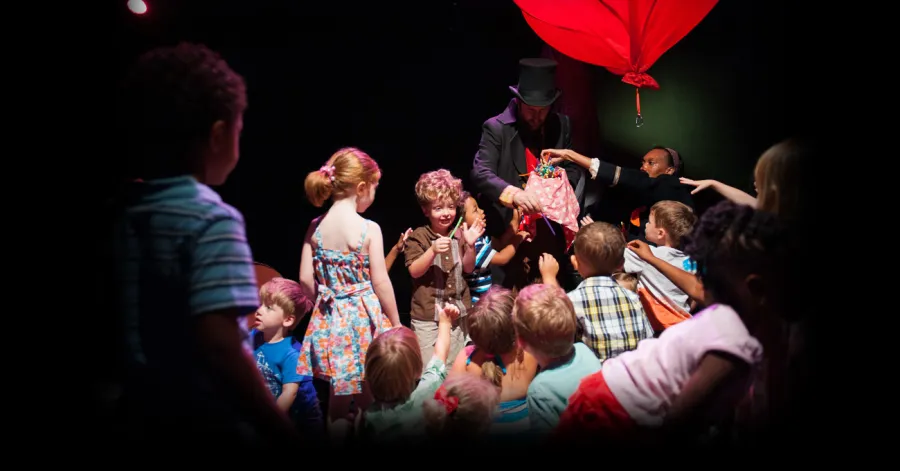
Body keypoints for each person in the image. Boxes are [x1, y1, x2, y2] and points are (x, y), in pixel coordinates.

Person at [111, 42, 299, 451]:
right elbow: (221, 348)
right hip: (201, 420)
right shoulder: (211, 219)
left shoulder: (126, 211)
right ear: (218, 134)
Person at [297, 147, 401, 442]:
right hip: (363, 321)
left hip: (330, 320)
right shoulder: (369, 229)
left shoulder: (315, 227)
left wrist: (321, 304)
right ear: (361, 187)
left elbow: (305, 279)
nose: (375, 194)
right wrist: (394, 321)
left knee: (338, 405)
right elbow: (380, 281)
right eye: (375, 187)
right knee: (369, 398)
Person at [470, 58, 584, 291]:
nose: (537, 116)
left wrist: (558, 192)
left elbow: (572, 169)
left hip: (549, 233)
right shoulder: (496, 127)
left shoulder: (561, 125)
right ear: (519, 102)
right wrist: (514, 195)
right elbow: (481, 172)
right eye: (531, 110)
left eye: (543, 111)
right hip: (509, 231)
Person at [542, 146, 693, 243]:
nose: (643, 167)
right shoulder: (643, 197)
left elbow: (633, 179)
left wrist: (570, 155)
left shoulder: (674, 186)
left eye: (651, 163)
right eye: (643, 162)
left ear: (670, 171)